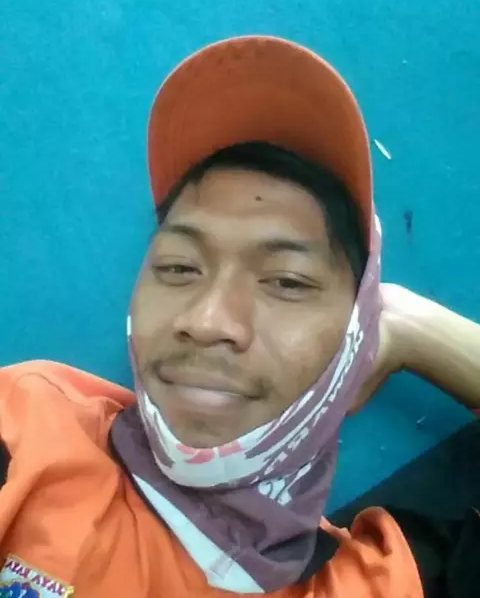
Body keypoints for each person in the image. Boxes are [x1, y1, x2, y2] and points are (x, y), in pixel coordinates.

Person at [0, 36, 479, 598]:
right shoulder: (31, 431)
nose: (206, 321)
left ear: (353, 339)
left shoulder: (381, 585)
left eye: (287, 280)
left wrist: (407, 326)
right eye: (179, 267)